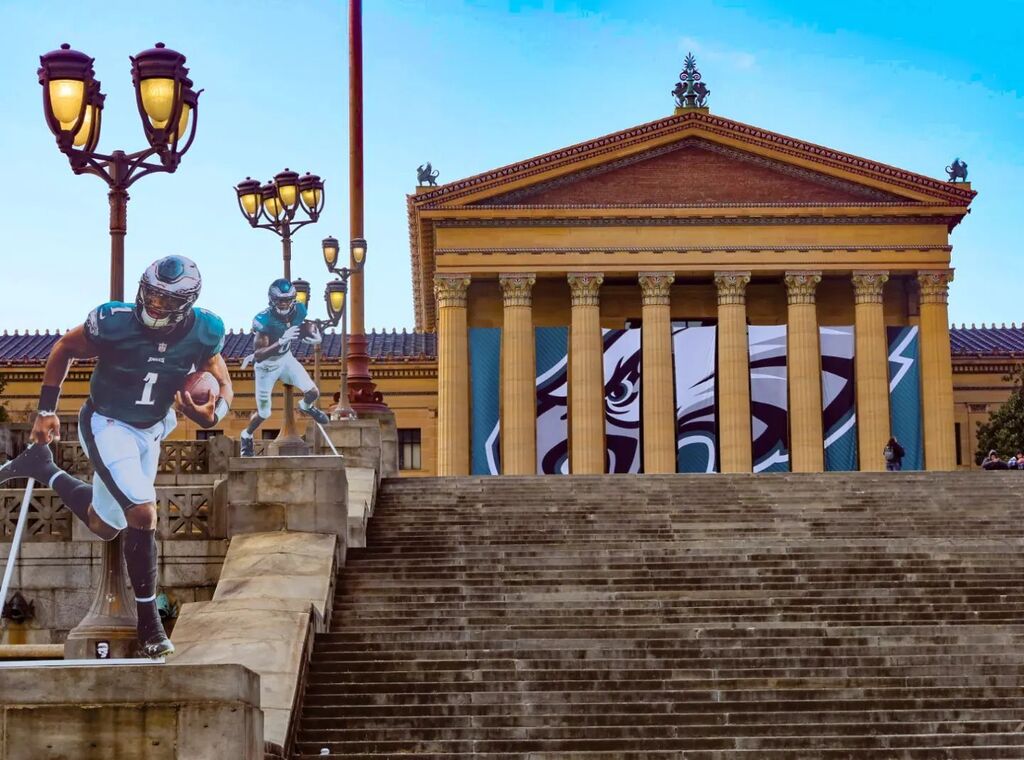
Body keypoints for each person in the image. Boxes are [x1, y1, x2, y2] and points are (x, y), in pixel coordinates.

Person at [0, 256, 232, 658]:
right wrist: (45, 410)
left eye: (165, 301)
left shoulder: (206, 330)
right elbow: (64, 348)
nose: (155, 306)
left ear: (186, 304)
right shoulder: (113, 321)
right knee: (143, 512)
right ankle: (150, 626)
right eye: (152, 295)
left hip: (153, 427)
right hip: (107, 423)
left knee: (106, 525)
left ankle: (43, 468)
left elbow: (221, 378)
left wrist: (214, 414)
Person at [238, 279, 329, 457]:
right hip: (266, 367)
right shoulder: (263, 320)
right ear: (272, 300)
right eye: (280, 300)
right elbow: (258, 355)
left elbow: (304, 325)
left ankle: (306, 406)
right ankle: (246, 435)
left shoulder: (299, 310)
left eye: (288, 300)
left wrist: (314, 333)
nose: (285, 304)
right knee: (264, 413)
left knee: (313, 392)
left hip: (286, 359)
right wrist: (281, 340)